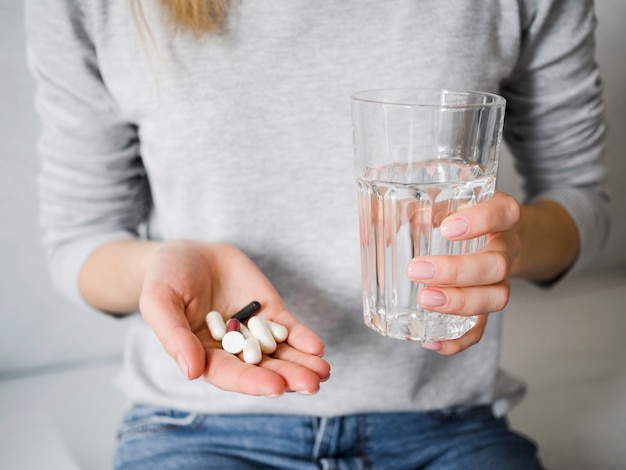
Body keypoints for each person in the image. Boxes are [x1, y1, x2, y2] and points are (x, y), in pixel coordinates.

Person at [26, 0, 608, 468]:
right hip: (198, 427)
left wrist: (512, 243)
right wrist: (158, 267)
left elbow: (583, 201)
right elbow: (82, 235)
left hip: (446, 424)